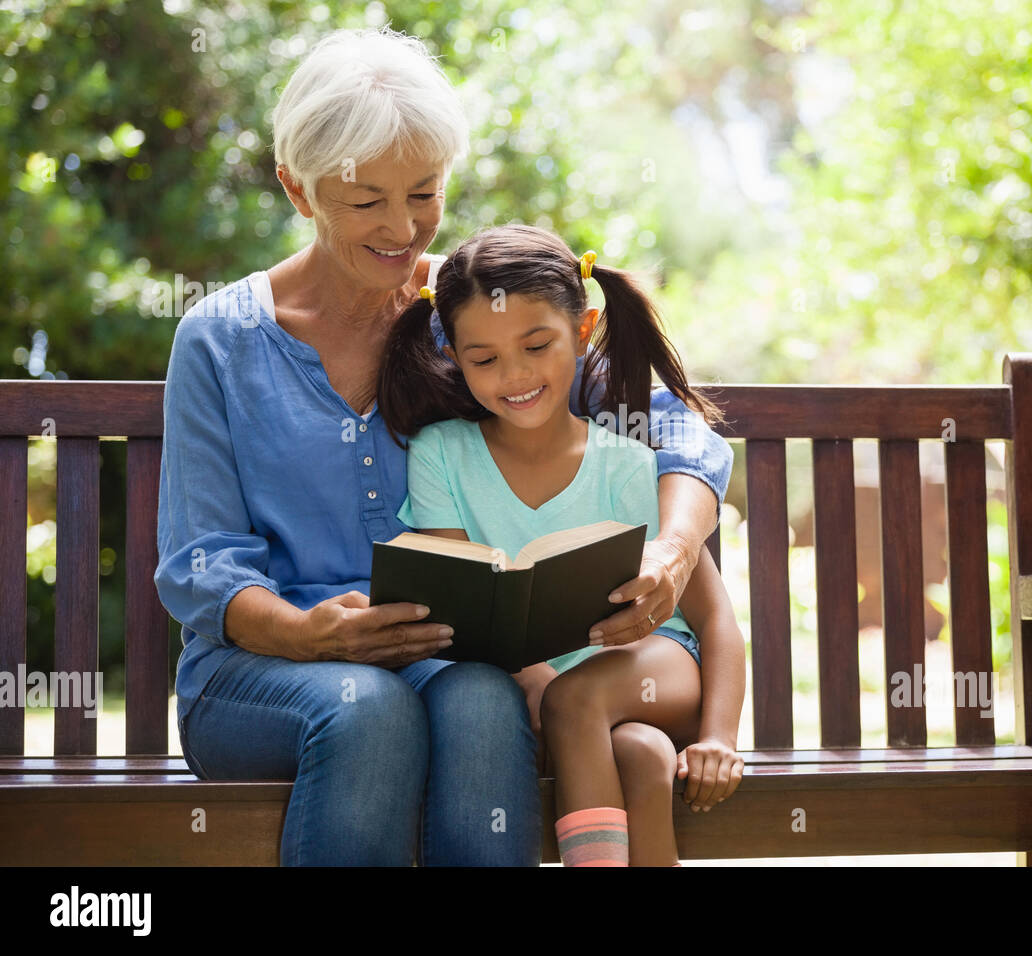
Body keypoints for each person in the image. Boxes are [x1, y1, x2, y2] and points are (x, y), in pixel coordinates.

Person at [154, 27, 733, 866]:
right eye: (366, 202)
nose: (403, 229)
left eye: (424, 192)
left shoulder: (475, 321)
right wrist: (308, 634)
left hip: (439, 662)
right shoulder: (220, 340)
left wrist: (675, 553)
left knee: (479, 700)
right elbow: (201, 562)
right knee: (364, 706)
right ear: (297, 188)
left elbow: (672, 427)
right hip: (257, 675)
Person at [377, 224, 747, 867]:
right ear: (455, 356)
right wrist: (535, 683)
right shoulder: (441, 455)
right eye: (484, 359)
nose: (514, 376)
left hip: (657, 671)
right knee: (640, 753)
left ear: (581, 331)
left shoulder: (630, 465)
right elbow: (470, 608)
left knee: (576, 700)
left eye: (536, 346)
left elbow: (713, 618)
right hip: (554, 698)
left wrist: (719, 736)